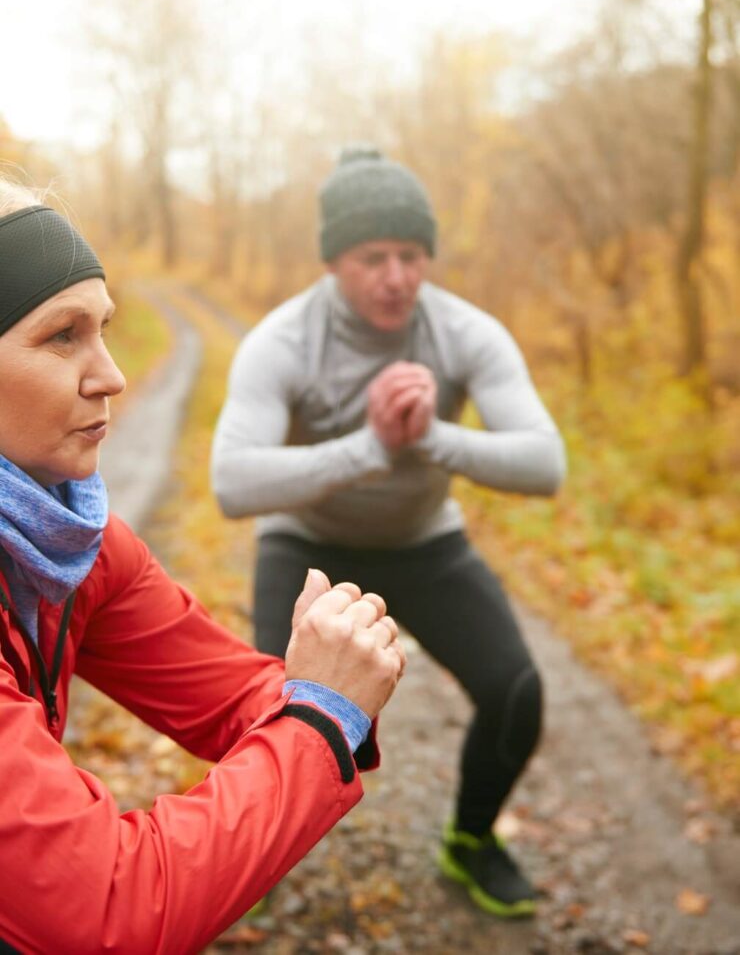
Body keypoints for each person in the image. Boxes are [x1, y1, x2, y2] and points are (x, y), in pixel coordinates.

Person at [0, 176, 406, 955]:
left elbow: (237, 697)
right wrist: (323, 715)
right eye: (62, 336)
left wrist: (324, 689)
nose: (110, 374)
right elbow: (102, 912)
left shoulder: (68, 539)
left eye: (105, 330)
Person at [211, 146, 567, 918]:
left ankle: (472, 842)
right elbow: (232, 481)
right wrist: (369, 449)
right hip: (309, 545)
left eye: (411, 255)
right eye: (373, 257)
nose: (397, 276)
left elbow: (546, 463)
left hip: (424, 541)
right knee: (266, 708)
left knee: (517, 691)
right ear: (335, 261)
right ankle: (245, 864)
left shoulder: (466, 332)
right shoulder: (284, 341)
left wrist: (430, 438)